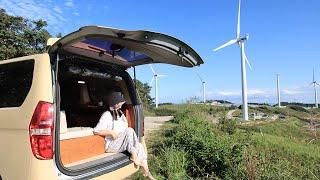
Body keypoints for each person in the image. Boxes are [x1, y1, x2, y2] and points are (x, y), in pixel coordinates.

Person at [93, 92, 155, 180]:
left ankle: (146, 170)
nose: (122, 104)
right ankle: (134, 155)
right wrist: (110, 133)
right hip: (111, 145)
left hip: (121, 142)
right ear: (114, 103)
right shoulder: (106, 115)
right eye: (120, 102)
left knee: (139, 145)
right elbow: (96, 131)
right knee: (130, 131)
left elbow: (125, 130)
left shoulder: (120, 113)